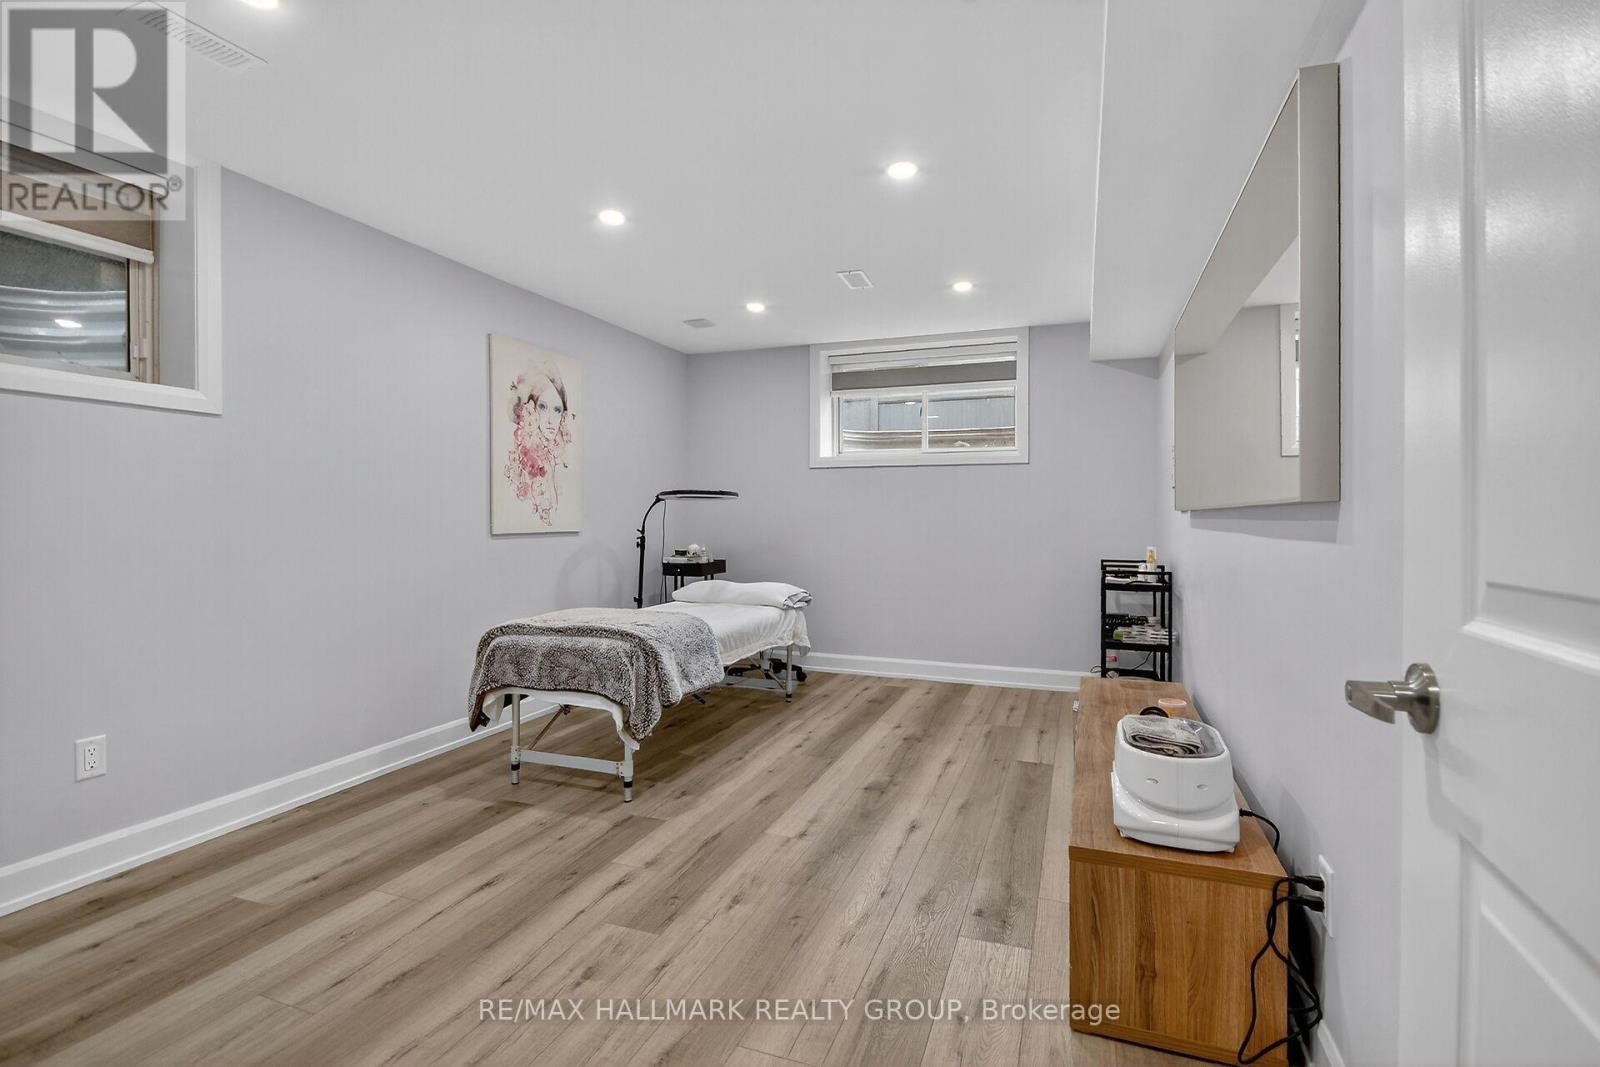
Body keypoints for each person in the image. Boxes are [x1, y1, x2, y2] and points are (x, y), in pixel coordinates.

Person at [503, 363, 574, 526]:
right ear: (531, 410)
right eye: (543, 407)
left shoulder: (552, 459)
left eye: (557, 409)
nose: (550, 420)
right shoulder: (526, 462)